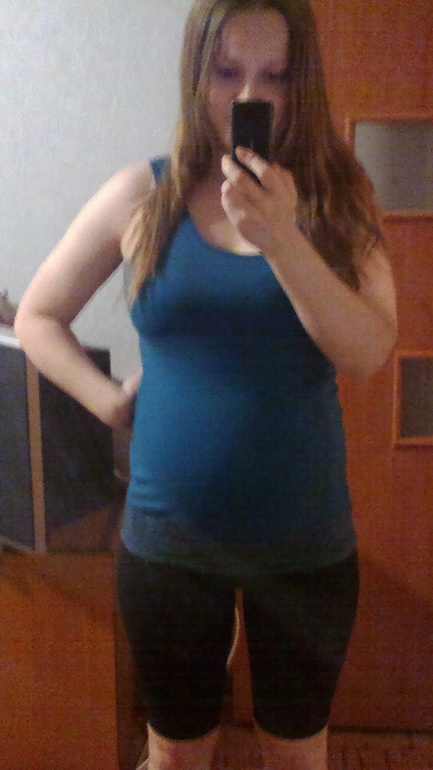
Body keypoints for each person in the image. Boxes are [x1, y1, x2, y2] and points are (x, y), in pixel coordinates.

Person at [15, 0, 397, 768]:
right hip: (169, 545)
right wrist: (107, 402)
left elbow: (367, 350)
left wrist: (281, 239)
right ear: (196, 74)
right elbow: (37, 315)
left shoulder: (337, 197)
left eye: (274, 75)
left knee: (295, 756)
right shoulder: (143, 195)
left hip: (304, 546)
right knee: (175, 753)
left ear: (301, 81)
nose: (250, 96)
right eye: (227, 72)